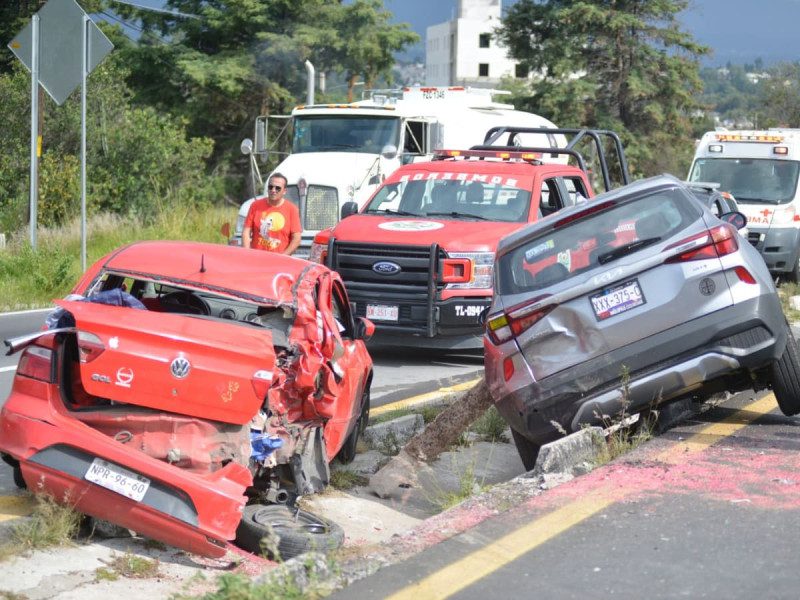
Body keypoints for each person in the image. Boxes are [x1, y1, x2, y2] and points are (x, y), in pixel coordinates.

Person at [242, 173, 302, 255]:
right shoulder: (255, 205)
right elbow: (246, 232)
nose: (273, 190)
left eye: (278, 188)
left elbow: (297, 239)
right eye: (271, 187)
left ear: (284, 191)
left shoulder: (292, 209)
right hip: (256, 259)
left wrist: (283, 257)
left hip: (279, 262)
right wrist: (247, 253)